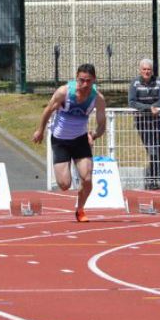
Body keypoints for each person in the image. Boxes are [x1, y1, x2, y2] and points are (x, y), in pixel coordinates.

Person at [33, 63, 107, 223]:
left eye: (88, 81)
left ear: (94, 80)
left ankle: (80, 209)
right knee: (65, 185)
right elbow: (48, 110)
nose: (85, 84)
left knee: (87, 179)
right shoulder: (64, 92)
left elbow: (102, 125)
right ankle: (69, 175)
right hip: (60, 140)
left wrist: (93, 135)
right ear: (76, 78)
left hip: (80, 140)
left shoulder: (98, 98)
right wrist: (40, 130)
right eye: (81, 80)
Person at [128, 59, 160, 189]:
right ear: (140, 70)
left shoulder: (159, 82)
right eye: (144, 69)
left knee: (158, 150)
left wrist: (154, 107)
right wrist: (149, 108)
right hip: (142, 122)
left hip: (158, 121)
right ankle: (157, 179)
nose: (146, 72)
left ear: (152, 71)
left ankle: (156, 179)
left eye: (149, 69)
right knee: (151, 150)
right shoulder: (135, 83)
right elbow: (132, 102)